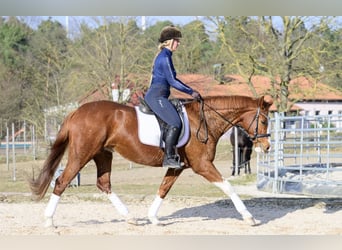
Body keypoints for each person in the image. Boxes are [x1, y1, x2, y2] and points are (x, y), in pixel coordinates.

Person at [144, 25, 202, 169]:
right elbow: (172, 81)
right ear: (169, 41)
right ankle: (168, 158)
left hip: (160, 94)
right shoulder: (164, 57)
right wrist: (192, 92)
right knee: (175, 123)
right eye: (177, 40)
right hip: (157, 96)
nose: (179, 43)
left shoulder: (166, 55)